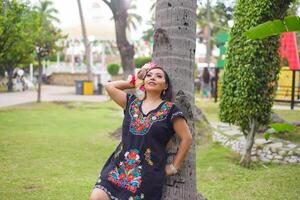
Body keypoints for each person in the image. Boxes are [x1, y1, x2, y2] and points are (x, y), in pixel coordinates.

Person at [90, 62, 193, 200]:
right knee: (96, 197)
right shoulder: (131, 103)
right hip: (118, 169)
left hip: (147, 175)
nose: (153, 78)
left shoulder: (170, 110)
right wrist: (134, 81)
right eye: (149, 75)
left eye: (158, 76)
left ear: (165, 86)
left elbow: (187, 138)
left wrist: (174, 166)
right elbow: (109, 86)